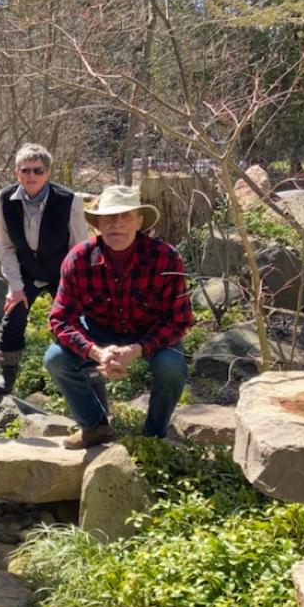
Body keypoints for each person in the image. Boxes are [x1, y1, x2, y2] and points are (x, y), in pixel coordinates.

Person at [45, 186, 193, 449]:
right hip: (99, 331)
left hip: (150, 332)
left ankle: (154, 435)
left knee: (171, 366)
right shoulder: (78, 259)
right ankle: (95, 426)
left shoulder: (166, 258)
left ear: (139, 222)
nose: (117, 225)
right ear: (98, 224)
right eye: (109, 218)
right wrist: (95, 352)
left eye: (125, 217)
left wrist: (137, 349)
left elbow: (179, 320)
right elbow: (60, 319)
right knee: (55, 359)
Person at [0, 143, 88, 396]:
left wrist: (72, 288)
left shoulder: (70, 200)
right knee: (12, 317)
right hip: (25, 269)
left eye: (38, 170)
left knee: (73, 322)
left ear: (48, 172)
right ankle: (7, 379)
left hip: (61, 271)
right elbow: (5, 246)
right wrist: (15, 287)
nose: (32, 176)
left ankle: (77, 377)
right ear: (16, 172)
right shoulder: (4, 199)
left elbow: (79, 248)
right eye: (26, 170)